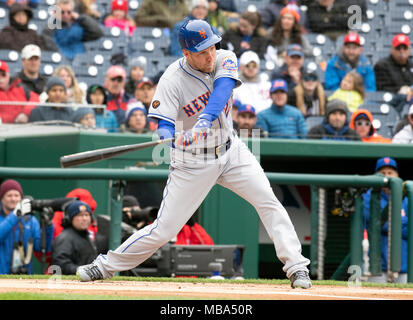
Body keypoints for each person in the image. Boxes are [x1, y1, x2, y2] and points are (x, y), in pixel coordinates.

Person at [77, 20, 312, 289]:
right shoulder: (172, 79)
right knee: (164, 229)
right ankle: (104, 266)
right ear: (186, 53)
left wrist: (204, 120)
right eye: (202, 51)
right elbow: (164, 126)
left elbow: (223, 90)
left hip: (230, 151)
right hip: (192, 162)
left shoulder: (225, 57)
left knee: (268, 201)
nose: (210, 54)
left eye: (212, 45)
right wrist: (170, 138)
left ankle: (296, 267)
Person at [362, 157, 409, 284]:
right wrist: (402, 223)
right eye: (382, 173)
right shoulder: (368, 197)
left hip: (405, 266)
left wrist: (394, 225)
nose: (387, 176)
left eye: (390, 173)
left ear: (397, 175)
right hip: (376, 264)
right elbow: (376, 225)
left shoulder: (407, 198)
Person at [0, 179, 54, 274]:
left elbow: (40, 248)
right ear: (2, 198)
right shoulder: (9, 218)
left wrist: (48, 226)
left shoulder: (30, 220)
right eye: (9, 195)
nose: (13, 199)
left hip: (24, 275)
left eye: (16, 195)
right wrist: (15, 216)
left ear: (21, 198)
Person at [52, 201, 97, 275]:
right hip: (70, 284)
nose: (84, 218)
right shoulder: (64, 238)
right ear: (70, 218)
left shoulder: (86, 236)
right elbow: (60, 266)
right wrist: (82, 271)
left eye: (87, 215)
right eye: (80, 215)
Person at [374, 34, 413, 103]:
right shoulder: (381, 65)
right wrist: (399, 90)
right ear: (392, 49)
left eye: (405, 48)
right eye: (398, 48)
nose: (402, 51)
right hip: (390, 103)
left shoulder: (411, 65)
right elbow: (381, 89)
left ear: (409, 50)